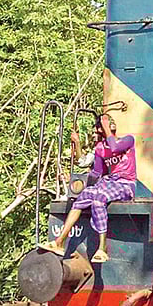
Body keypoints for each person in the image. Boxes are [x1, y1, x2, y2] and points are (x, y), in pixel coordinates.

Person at [38, 113, 137, 263]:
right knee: (82, 197)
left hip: (125, 184)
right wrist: (76, 181)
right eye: (104, 121)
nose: (109, 122)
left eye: (109, 120)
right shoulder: (100, 149)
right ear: (99, 129)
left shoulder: (128, 140)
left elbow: (115, 147)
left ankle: (102, 248)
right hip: (109, 183)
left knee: (99, 198)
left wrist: (106, 128)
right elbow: (96, 172)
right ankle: (59, 242)